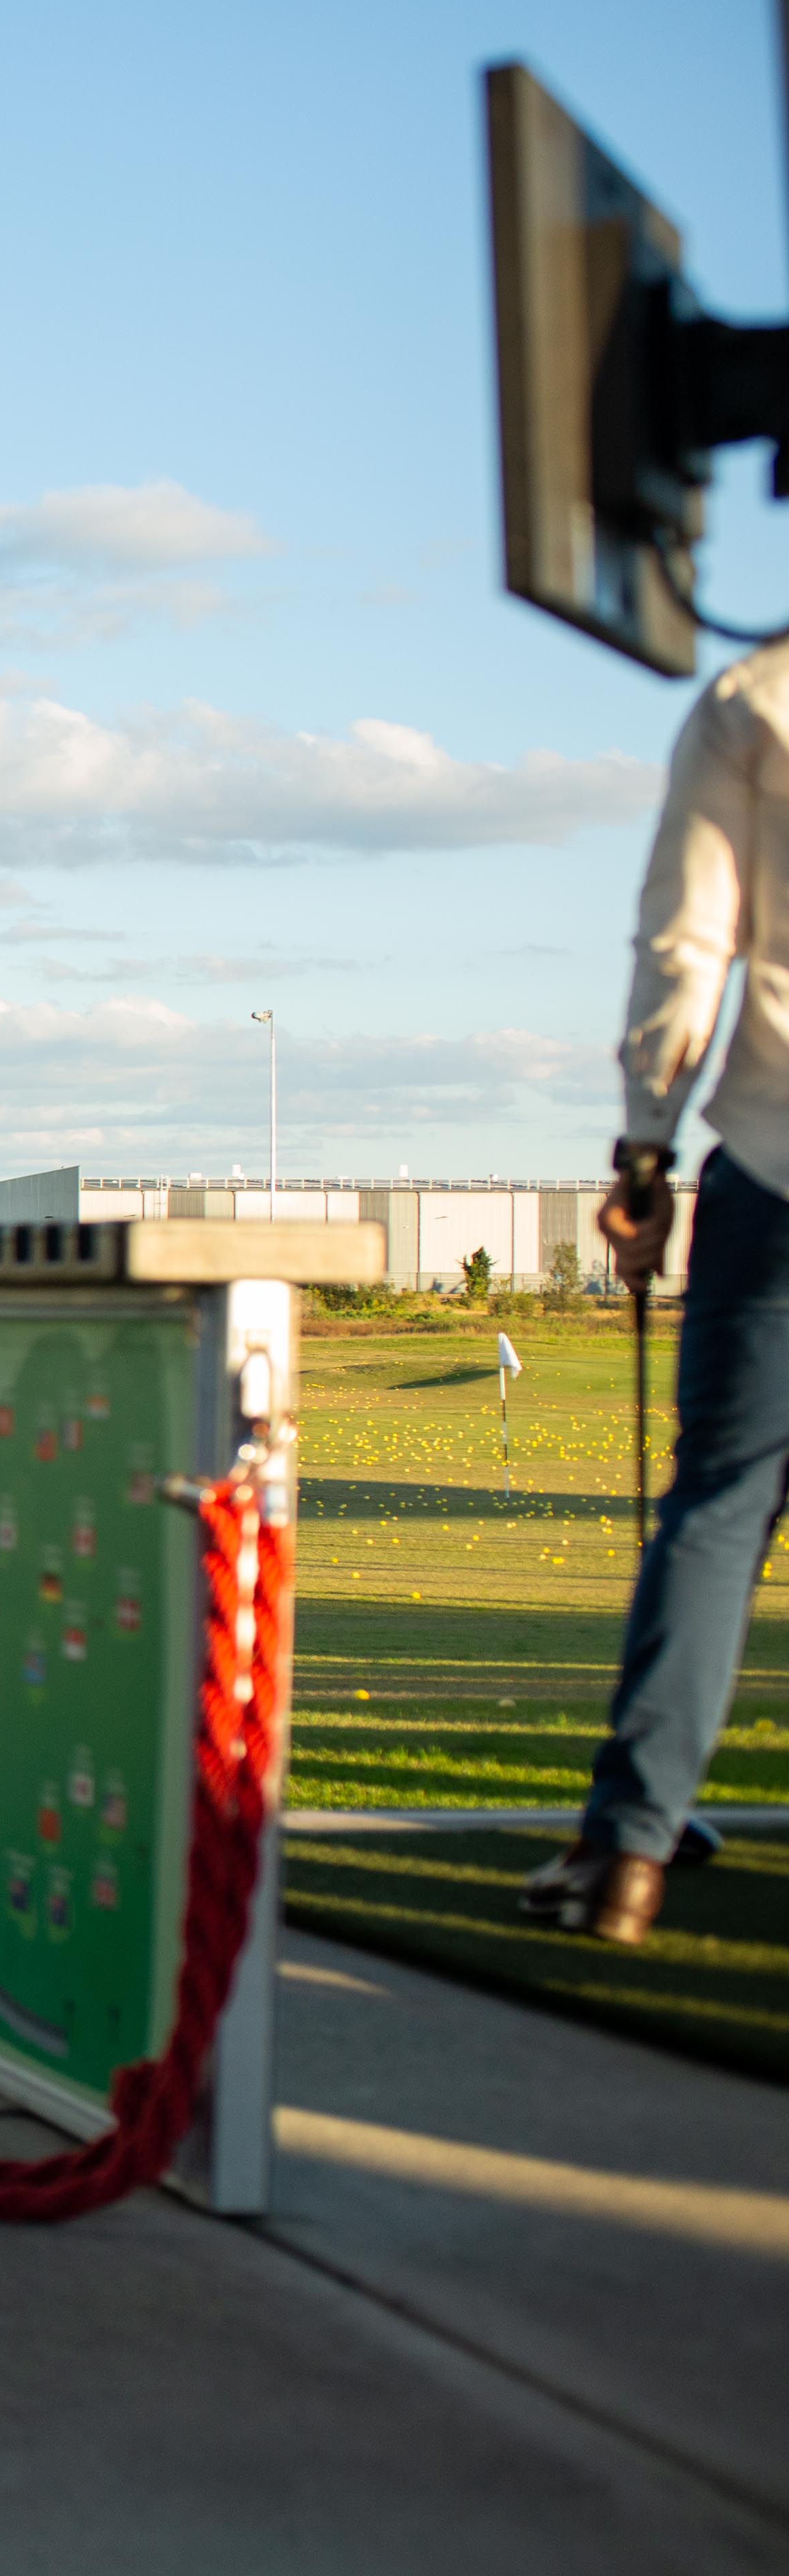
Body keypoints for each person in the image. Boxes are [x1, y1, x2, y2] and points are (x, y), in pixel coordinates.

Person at [538, 648, 785, 1944]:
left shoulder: (756, 702)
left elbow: (686, 950)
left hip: (779, 1159)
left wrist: (646, 1151)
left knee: (722, 1509)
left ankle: (627, 1852)